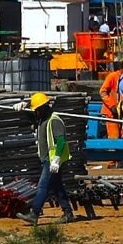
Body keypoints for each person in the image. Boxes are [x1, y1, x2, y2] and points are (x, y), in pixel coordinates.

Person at [25, 92, 77, 226]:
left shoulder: (54, 120)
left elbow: (61, 141)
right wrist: (23, 106)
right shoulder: (43, 118)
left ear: (42, 108)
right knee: (57, 186)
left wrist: (57, 159)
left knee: (43, 185)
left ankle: (34, 213)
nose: (35, 113)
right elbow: (31, 117)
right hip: (49, 159)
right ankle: (68, 213)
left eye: (37, 110)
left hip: (53, 160)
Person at [97, 62, 123, 139]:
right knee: (114, 138)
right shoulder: (113, 76)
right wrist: (112, 106)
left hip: (122, 114)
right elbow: (103, 92)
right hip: (111, 114)